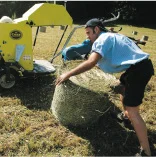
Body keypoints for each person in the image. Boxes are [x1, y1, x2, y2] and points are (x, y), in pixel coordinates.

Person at [55, 18, 154, 156]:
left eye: (89, 33)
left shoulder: (101, 39)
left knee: (134, 112)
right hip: (138, 68)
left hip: (138, 71)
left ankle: (147, 152)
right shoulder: (114, 36)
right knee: (122, 87)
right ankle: (125, 118)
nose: (88, 37)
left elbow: (91, 62)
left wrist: (68, 74)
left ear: (96, 29)